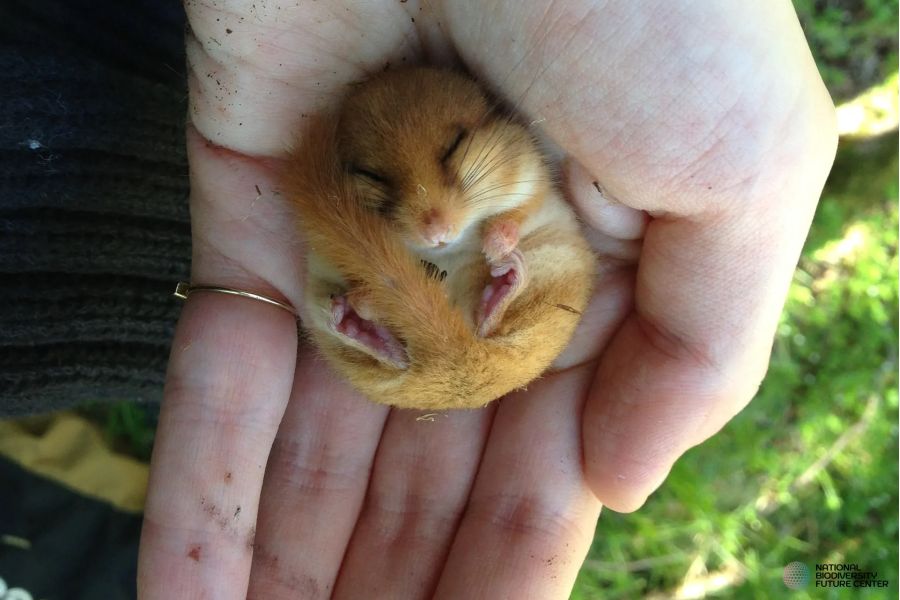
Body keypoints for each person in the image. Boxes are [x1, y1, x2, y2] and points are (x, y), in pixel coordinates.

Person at [137, 1, 837, 597]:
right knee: (348, 295)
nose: (432, 216)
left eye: (449, 162)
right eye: (384, 185)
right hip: (455, 326)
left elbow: (525, 186)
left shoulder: (507, 157)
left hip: (507, 324)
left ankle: (411, 322)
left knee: (489, 286)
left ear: (481, 126)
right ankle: (390, 327)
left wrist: (498, 236)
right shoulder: (375, 193)